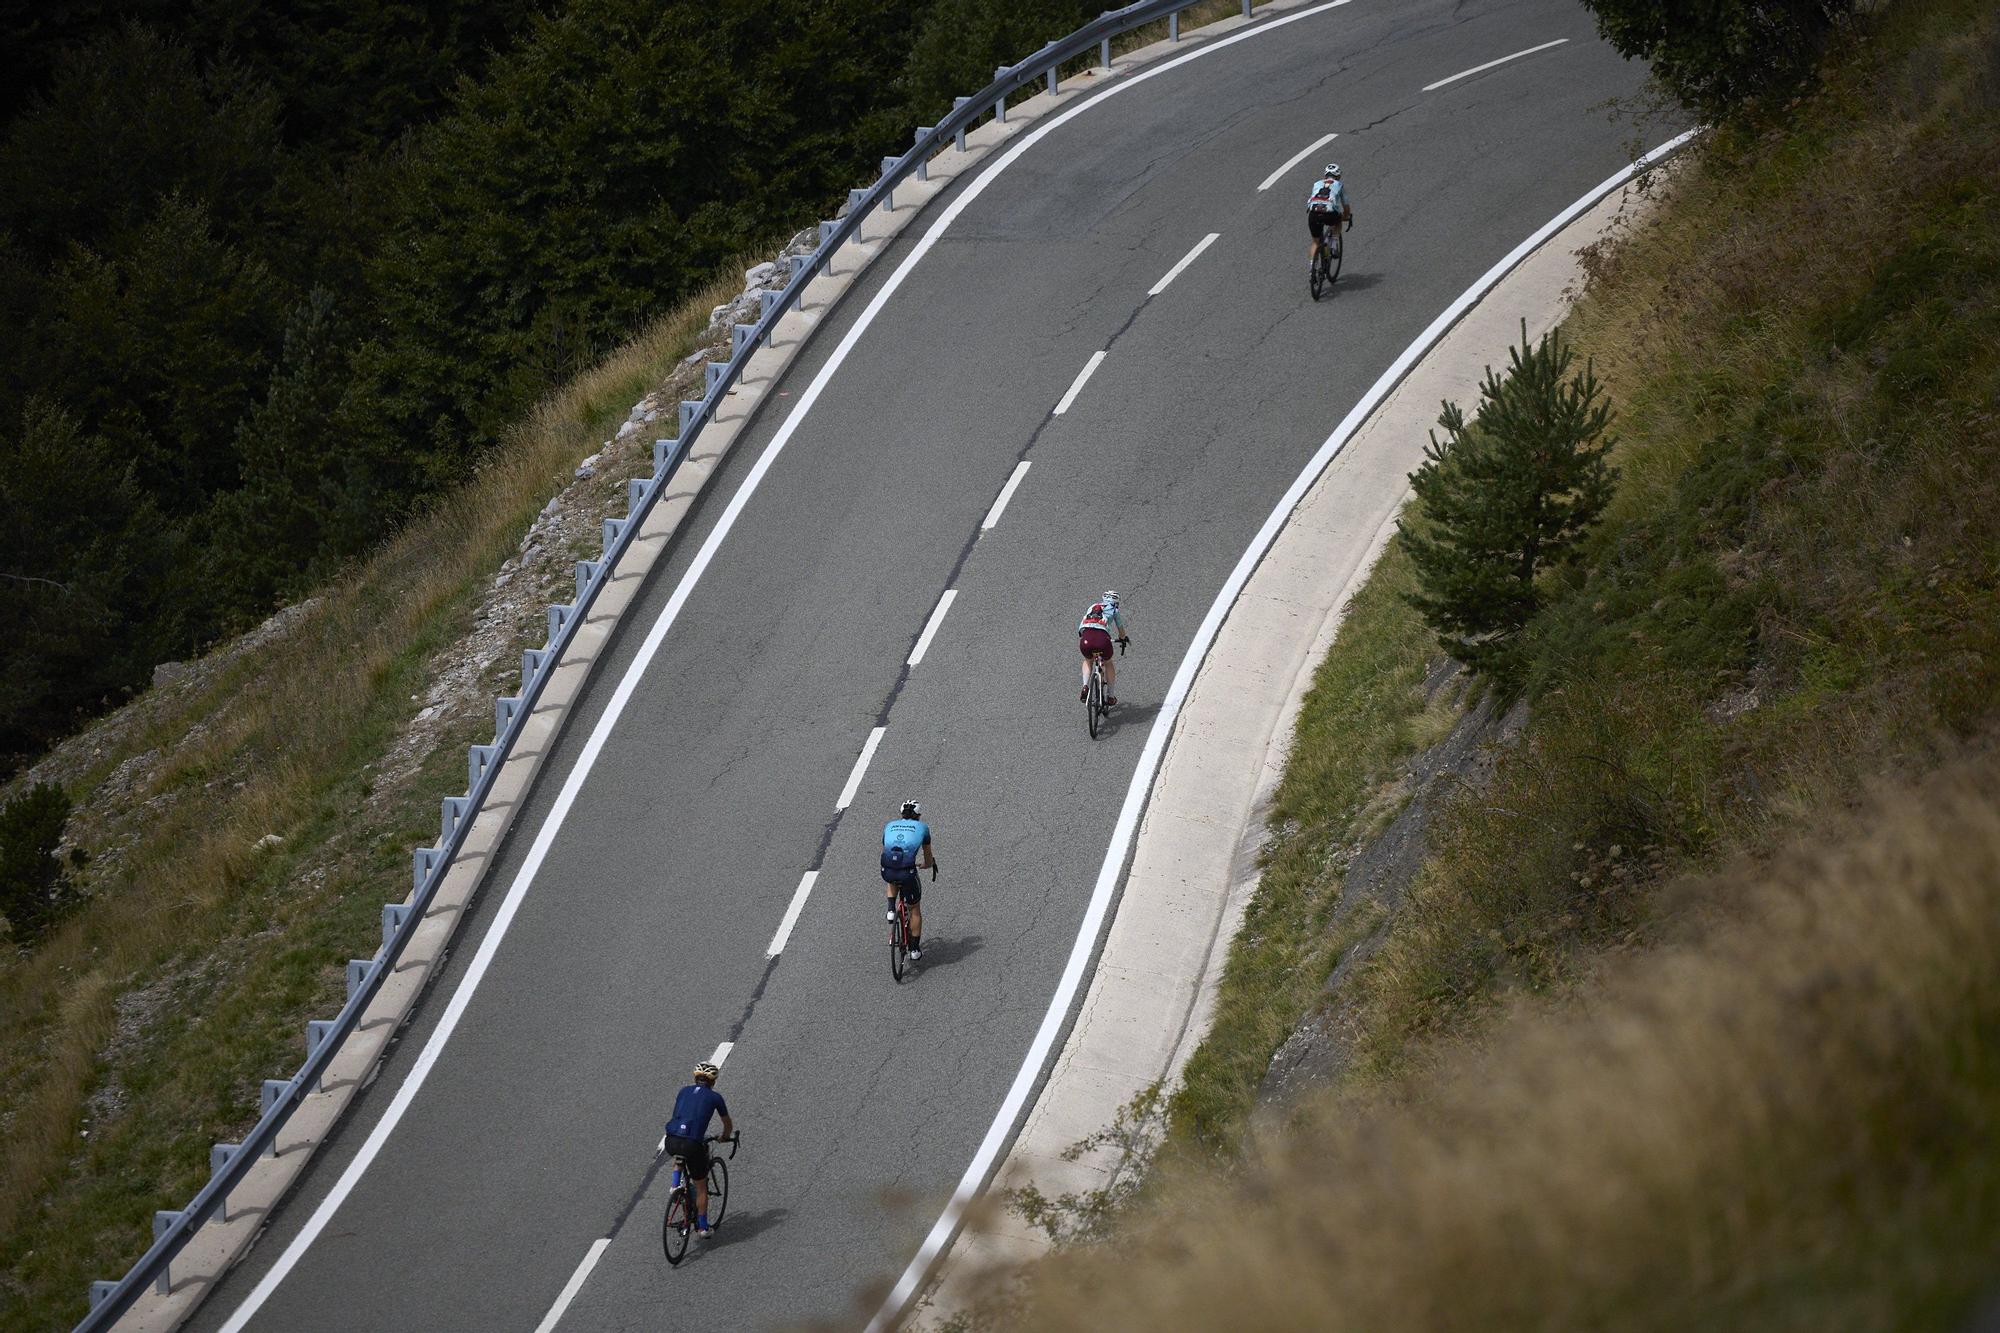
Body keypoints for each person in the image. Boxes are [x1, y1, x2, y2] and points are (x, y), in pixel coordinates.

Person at [662, 1061, 734, 1237]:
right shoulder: (715, 1097)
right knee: (701, 1187)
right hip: (693, 1144)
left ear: (695, 1078)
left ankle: (675, 1184)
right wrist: (725, 1136)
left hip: (671, 1140)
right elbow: (727, 1123)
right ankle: (702, 1228)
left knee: (679, 1155)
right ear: (713, 1082)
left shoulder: (683, 1091)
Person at [882, 800, 937, 961]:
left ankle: (891, 910)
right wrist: (927, 865)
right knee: (914, 910)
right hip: (907, 872)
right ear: (918, 816)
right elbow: (927, 854)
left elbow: (885, 847)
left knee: (892, 877)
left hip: (887, 868)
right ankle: (914, 950)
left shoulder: (889, 825)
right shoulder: (923, 828)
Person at [1077, 591, 1131, 707]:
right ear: (1116, 602)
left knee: (1088, 660)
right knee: (1108, 662)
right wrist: (1123, 638)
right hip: (1102, 639)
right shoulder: (1114, 610)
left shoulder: (1092, 606)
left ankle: (1085, 686)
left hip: (1086, 638)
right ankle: (1111, 696)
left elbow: (1081, 628)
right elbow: (1121, 630)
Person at [1306, 163, 1352, 266]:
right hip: (1329, 214)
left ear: (1325, 175)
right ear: (1338, 176)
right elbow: (1346, 206)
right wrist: (1346, 216)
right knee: (1338, 219)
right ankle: (1334, 244)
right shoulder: (1339, 185)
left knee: (1315, 242)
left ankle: (1312, 268)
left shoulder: (1316, 184)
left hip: (1313, 214)